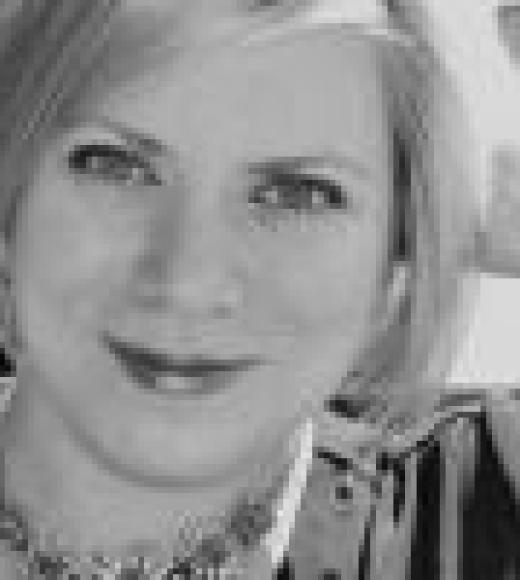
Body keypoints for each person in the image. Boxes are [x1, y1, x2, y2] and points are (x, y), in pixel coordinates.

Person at [0, 1, 518, 578]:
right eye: (114, 165)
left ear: (403, 244)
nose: (188, 283)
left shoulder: (481, 510)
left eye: (298, 194)